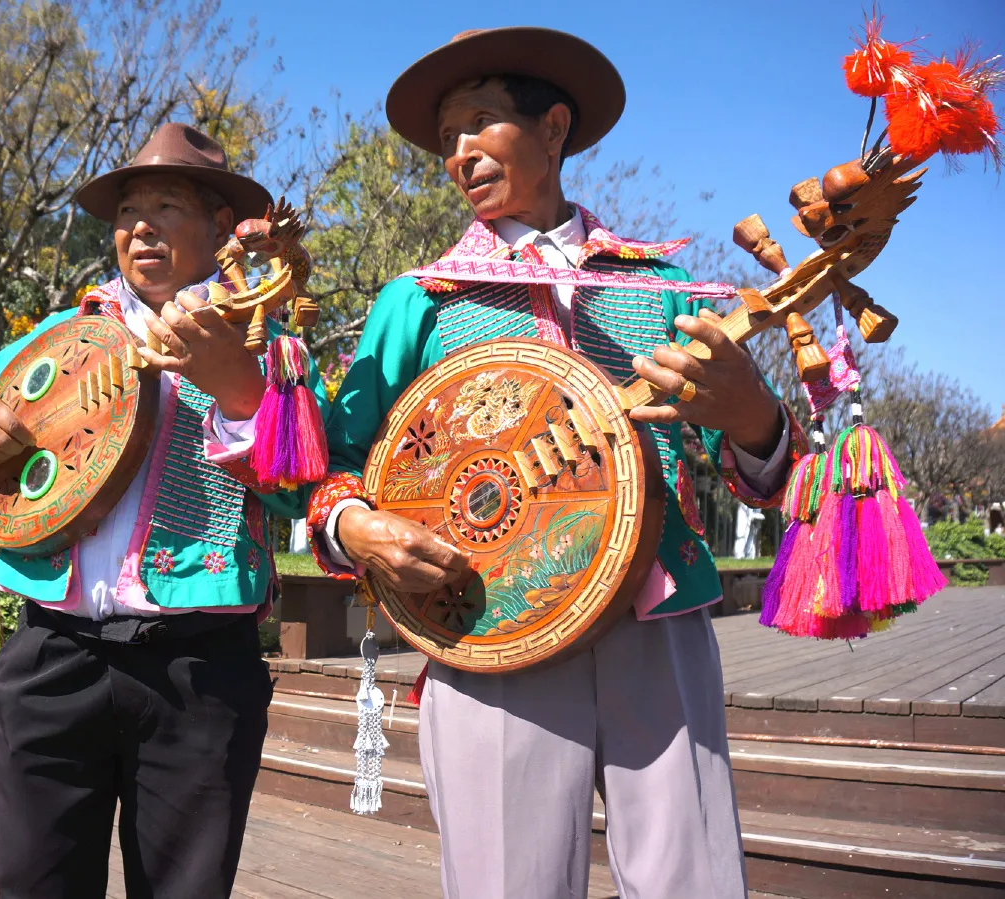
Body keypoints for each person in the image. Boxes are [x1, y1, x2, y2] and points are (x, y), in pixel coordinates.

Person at [304, 28, 806, 899]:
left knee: (695, 880)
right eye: (449, 137)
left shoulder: (660, 290)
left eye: (483, 122)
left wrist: (756, 417)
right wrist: (359, 526)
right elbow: (332, 463)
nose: (460, 152)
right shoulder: (418, 302)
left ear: (554, 127)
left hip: (657, 614)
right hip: (487, 622)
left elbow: (754, 468)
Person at [0, 123, 327, 899]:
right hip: (52, 654)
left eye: (166, 205)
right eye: (127, 210)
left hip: (196, 670)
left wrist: (238, 388)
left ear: (217, 229)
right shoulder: (68, 333)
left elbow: (304, 483)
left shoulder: (268, 346)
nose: (139, 225)